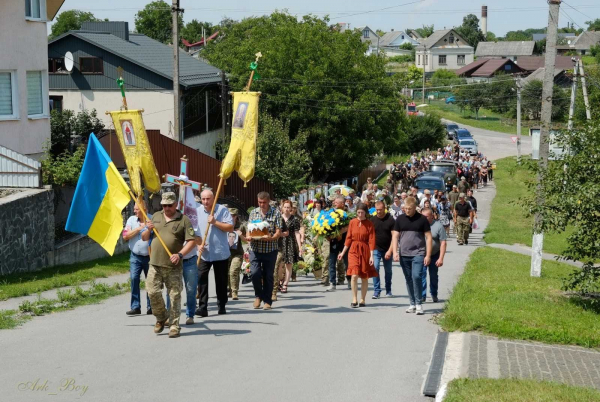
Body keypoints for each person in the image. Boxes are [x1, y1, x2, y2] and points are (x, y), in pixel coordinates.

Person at [142, 192, 197, 338]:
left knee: (174, 296)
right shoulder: (156, 216)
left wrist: (180, 254)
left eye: (169, 205)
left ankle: (174, 325)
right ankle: (161, 317)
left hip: (173, 266)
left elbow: (192, 241)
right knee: (152, 292)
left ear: (175, 204)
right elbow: (144, 238)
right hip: (155, 263)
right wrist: (148, 229)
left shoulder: (183, 220)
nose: (166, 208)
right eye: (164, 205)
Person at [196, 189, 234, 317]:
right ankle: (202, 307)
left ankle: (221, 305)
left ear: (213, 199)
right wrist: (198, 244)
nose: (205, 202)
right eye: (203, 199)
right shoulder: (197, 211)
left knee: (221, 280)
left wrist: (214, 222)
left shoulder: (222, 210)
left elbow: (230, 227)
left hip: (220, 252)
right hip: (204, 252)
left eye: (208, 199)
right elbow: (193, 232)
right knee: (201, 279)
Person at [392, 196, 432, 315]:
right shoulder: (400, 219)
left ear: (415, 208)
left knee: (416, 276)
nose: (407, 211)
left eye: (410, 209)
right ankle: (412, 303)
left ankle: (419, 303)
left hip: (418, 253)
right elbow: (395, 236)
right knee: (408, 278)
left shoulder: (422, 220)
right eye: (405, 208)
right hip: (404, 254)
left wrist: (428, 255)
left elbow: (429, 237)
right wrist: (395, 252)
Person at [247, 192, 283, 310]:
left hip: (270, 249)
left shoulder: (276, 213)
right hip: (255, 248)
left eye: (264, 202)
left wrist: (272, 238)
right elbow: (249, 228)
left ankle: (267, 301)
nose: (262, 205)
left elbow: (278, 231)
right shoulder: (253, 212)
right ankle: (258, 296)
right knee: (254, 273)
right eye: (259, 202)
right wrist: (248, 237)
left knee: (268, 275)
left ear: (268, 201)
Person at [338, 203, 377, 308]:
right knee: (354, 275)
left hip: (365, 250)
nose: (360, 214)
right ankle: (354, 298)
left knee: (364, 277)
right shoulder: (352, 222)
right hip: (353, 250)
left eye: (362, 212)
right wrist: (343, 252)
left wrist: (371, 255)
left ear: (365, 213)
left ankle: (362, 299)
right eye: (358, 212)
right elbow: (349, 238)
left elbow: (372, 240)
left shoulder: (369, 224)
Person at [123, 202, 152, 315]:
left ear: (144, 209)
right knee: (134, 279)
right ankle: (135, 307)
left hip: (149, 257)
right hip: (135, 256)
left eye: (137, 209)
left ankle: (151, 307)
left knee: (150, 282)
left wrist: (148, 227)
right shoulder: (131, 220)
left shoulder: (152, 219)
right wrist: (140, 228)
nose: (134, 211)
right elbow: (125, 236)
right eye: (134, 209)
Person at [420, 208, 447, 303]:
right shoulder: (419, 225)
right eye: (422, 216)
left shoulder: (438, 226)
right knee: (421, 275)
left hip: (434, 255)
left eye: (426, 216)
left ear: (432, 216)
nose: (424, 218)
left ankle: (434, 294)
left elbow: (443, 243)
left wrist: (441, 258)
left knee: (433, 276)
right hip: (421, 255)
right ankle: (422, 295)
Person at [370, 201, 395, 298]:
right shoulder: (372, 220)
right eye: (377, 210)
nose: (378, 212)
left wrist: (391, 250)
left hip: (388, 248)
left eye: (380, 210)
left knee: (388, 270)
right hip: (376, 248)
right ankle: (377, 290)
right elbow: (370, 236)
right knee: (375, 267)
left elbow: (394, 236)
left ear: (384, 208)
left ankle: (388, 290)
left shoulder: (391, 220)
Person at [327, 195, 350, 291]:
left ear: (342, 203)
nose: (334, 204)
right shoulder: (331, 213)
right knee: (332, 262)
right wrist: (328, 235)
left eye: (336, 202)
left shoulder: (348, 213)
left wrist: (340, 232)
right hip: (333, 241)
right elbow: (326, 225)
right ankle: (332, 283)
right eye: (334, 202)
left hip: (345, 241)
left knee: (347, 262)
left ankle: (350, 280)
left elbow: (349, 226)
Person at [280, 200, 302, 293]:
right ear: (282, 208)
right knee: (279, 264)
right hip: (279, 242)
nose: (286, 209)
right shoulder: (279, 218)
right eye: (285, 207)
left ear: (291, 208)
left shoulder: (294, 219)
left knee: (288, 264)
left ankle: (285, 283)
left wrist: (300, 246)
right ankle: (280, 280)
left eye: (288, 207)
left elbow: (297, 233)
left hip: (290, 243)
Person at [227, 208, 245, 301]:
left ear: (236, 217)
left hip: (237, 253)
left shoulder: (241, 226)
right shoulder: (224, 225)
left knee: (233, 271)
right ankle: (229, 290)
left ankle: (234, 292)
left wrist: (240, 235)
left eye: (233, 215)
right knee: (227, 273)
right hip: (226, 253)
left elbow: (246, 240)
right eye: (230, 215)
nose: (231, 217)